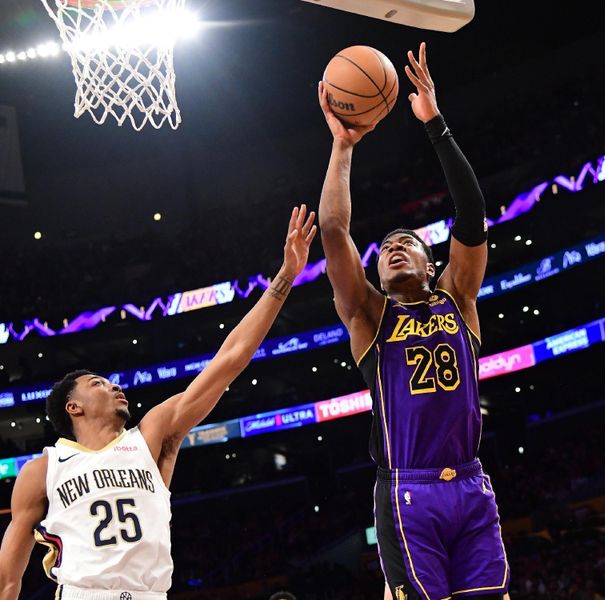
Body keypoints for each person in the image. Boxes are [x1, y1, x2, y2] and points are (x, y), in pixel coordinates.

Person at [0, 206, 317, 600]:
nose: (116, 387)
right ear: (73, 407)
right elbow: (9, 580)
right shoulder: (41, 471)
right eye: (98, 383)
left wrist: (286, 276)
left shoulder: (151, 434)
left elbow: (230, 359)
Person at [318, 42, 509, 600]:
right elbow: (334, 231)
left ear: (434, 264)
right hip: (407, 489)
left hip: (472, 483)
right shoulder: (369, 315)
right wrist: (342, 146)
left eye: (408, 243)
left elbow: (472, 215)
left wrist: (435, 125)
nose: (395, 248)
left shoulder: (459, 298)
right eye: (386, 248)